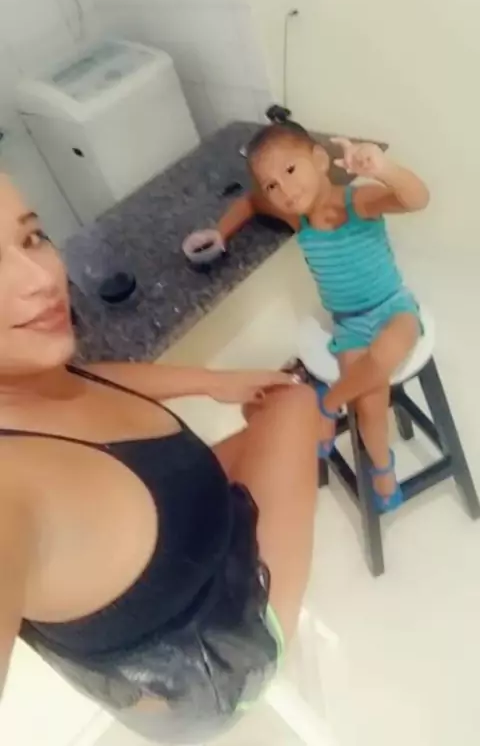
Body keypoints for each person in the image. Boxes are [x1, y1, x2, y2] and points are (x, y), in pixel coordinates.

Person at [0, 175, 322, 744]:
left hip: (187, 559)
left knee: (281, 405)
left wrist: (211, 382)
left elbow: (84, 382)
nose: (41, 279)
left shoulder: (31, 374)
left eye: (31, 239)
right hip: (222, 672)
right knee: (297, 404)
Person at [247, 122, 430, 513]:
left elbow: (417, 199)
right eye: (273, 185)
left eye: (290, 170)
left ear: (319, 159)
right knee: (368, 403)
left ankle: (327, 403)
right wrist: (218, 233)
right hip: (349, 323)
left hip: (393, 306)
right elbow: (250, 202)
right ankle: (383, 466)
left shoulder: (357, 202)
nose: (284, 189)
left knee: (383, 354)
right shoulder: (297, 219)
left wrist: (384, 169)